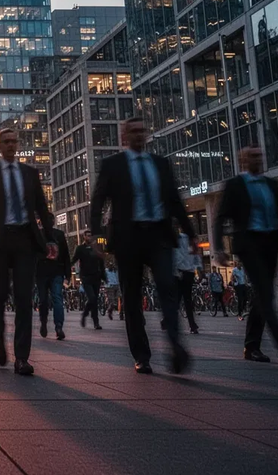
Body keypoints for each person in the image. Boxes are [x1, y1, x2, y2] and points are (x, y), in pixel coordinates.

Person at [89, 117, 194, 375]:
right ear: (124, 136)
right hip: (128, 238)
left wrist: (190, 233)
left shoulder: (160, 164)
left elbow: (174, 200)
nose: (138, 135)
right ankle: (141, 355)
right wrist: (96, 236)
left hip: (158, 234)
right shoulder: (113, 165)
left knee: (168, 288)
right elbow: (98, 200)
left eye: (141, 131)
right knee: (132, 297)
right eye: (133, 131)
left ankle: (175, 345)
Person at [0, 128, 59, 376]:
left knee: (24, 298)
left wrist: (50, 239)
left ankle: (21, 358)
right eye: (5, 142)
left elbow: (42, 208)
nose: (10, 145)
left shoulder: (29, 173)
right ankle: (0, 338)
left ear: (17, 145)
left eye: (13, 141)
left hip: (24, 240)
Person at [213, 146, 278, 367]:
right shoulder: (235, 185)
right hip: (249, 244)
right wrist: (219, 248)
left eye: (259, 155)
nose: (258, 159)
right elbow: (220, 218)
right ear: (243, 161)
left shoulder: (272, 185)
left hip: (270, 243)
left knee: (263, 296)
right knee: (265, 294)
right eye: (253, 156)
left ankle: (251, 345)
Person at [37, 227, 72, 340]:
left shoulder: (59, 234)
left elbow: (65, 255)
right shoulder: (38, 234)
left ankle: (59, 327)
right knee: (43, 300)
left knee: (57, 298)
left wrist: (67, 274)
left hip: (56, 272)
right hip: (41, 272)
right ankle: (44, 322)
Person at [72, 232, 105, 330]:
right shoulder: (80, 248)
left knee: (95, 301)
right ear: (84, 237)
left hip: (96, 277)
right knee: (92, 298)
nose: (89, 237)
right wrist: (66, 269)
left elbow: (101, 262)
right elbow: (74, 259)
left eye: (91, 235)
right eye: (88, 235)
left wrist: (103, 275)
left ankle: (96, 322)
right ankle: (85, 314)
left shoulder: (96, 248)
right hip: (86, 277)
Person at [170, 233, 201, 335]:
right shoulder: (190, 240)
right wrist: (198, 268)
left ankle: (169, 320)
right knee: (187, 300)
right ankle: (192, 325)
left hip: (182, 272)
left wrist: (175, 271)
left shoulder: (178, 240)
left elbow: (176, 257)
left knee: (179, 299)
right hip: (187, 273)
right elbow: (196, 256)